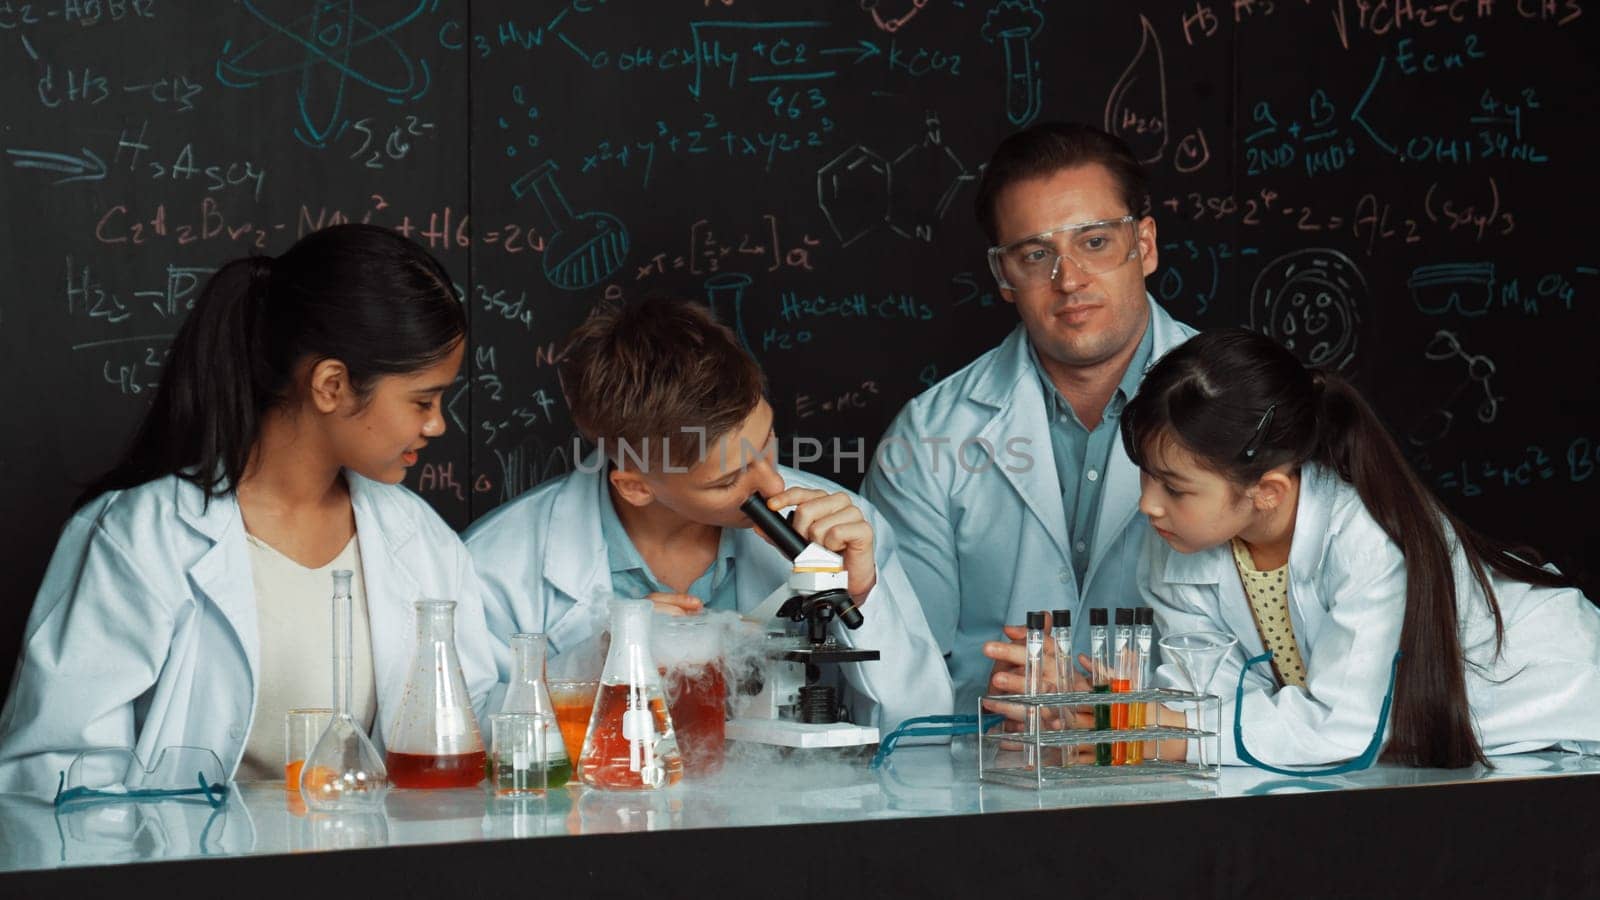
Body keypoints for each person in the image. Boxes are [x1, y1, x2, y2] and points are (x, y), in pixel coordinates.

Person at [0, 224, 500, 793]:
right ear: (331, 385)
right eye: (423, 400)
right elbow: (59, 777)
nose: (436, 424)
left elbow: (466, 740)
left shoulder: (422, 542)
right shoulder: (143, 539)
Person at [464, 298, 952, 731]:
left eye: (767, 444)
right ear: (636, 486)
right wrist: (598, 662)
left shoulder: (844, 527)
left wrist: (863, 599)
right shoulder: (494, 564)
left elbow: (920, 733)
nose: (774, 485)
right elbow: (467, 745)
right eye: (726, 481)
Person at [1122, 327, 1600, 767]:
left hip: (1557, 711)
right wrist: (1140, 722)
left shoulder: (1367, 540)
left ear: (1268, 492)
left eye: (1174, 488)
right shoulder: (1179, 540)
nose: (1148, 505)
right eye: (1145, 473)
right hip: (1438, 753)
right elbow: (1205, 704)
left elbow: (1342, 731)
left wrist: (1168, 734)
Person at [863, 122, 1195, 713]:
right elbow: (906, 662)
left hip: (1195, 777)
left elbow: (1277, 660)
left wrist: (1106, 716)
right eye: (1036, 255)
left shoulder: (1243, 409)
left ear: (1144, 246)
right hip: (985, 772)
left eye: (1094, 242)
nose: (1068, 280)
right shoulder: (931, 435)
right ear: (1003, 276)